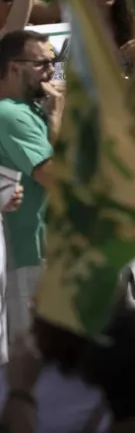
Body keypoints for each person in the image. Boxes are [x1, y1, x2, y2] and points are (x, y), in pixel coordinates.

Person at [0, 31, 56, 358]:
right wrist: (59, 115)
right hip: (30, 257)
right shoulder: (10, 113)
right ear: (13, 68)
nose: (51, 72)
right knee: (37, 366)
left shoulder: (30, 109)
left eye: (53, 62)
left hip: (47, 253)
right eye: (42, 64)